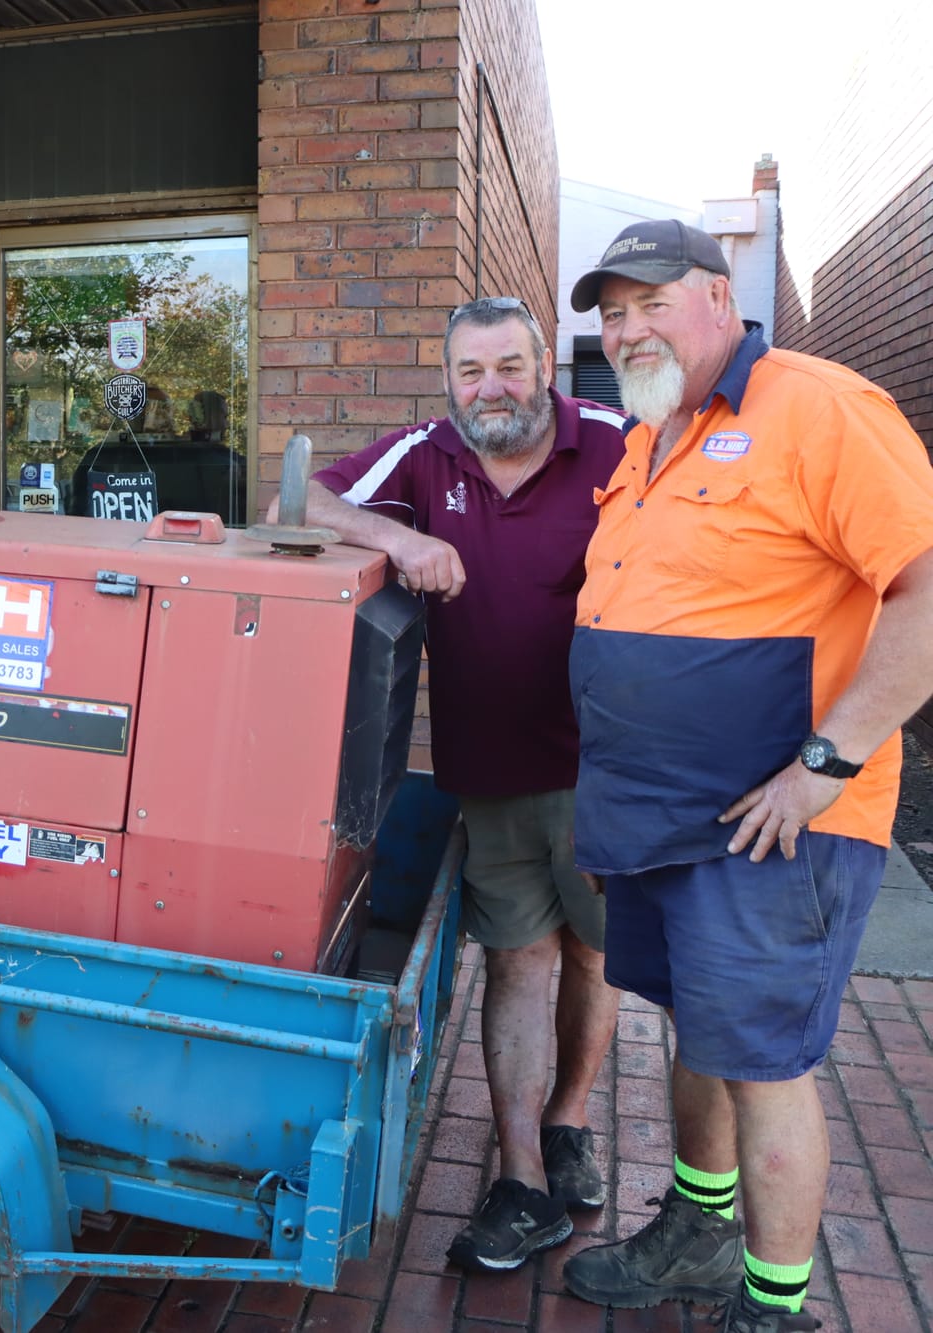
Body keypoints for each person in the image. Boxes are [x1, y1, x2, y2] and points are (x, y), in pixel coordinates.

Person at [560, 220, 933, 1333]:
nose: (626, 328)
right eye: (610, 312)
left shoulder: (817, 407)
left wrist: (824, 766)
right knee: (697, 1032)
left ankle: (771, 1308)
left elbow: (921, 590)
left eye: (648, 302)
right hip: (665, 811)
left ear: (718, 297)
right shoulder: (652, 432)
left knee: (763, 1062)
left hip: (776, 824)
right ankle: (696, 1230)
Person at [299, 296, 628, 1273]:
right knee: (519, 960)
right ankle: (522, 1177)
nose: (490, 388)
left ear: (545, 370)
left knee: (596, 955)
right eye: (470, 371)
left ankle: (567, 1120)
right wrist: (396, 539)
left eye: (509, 367)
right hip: (487, 772)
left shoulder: (615, 444)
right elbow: (302, 500)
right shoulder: (426, 453)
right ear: (449, 382)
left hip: (606, 773)